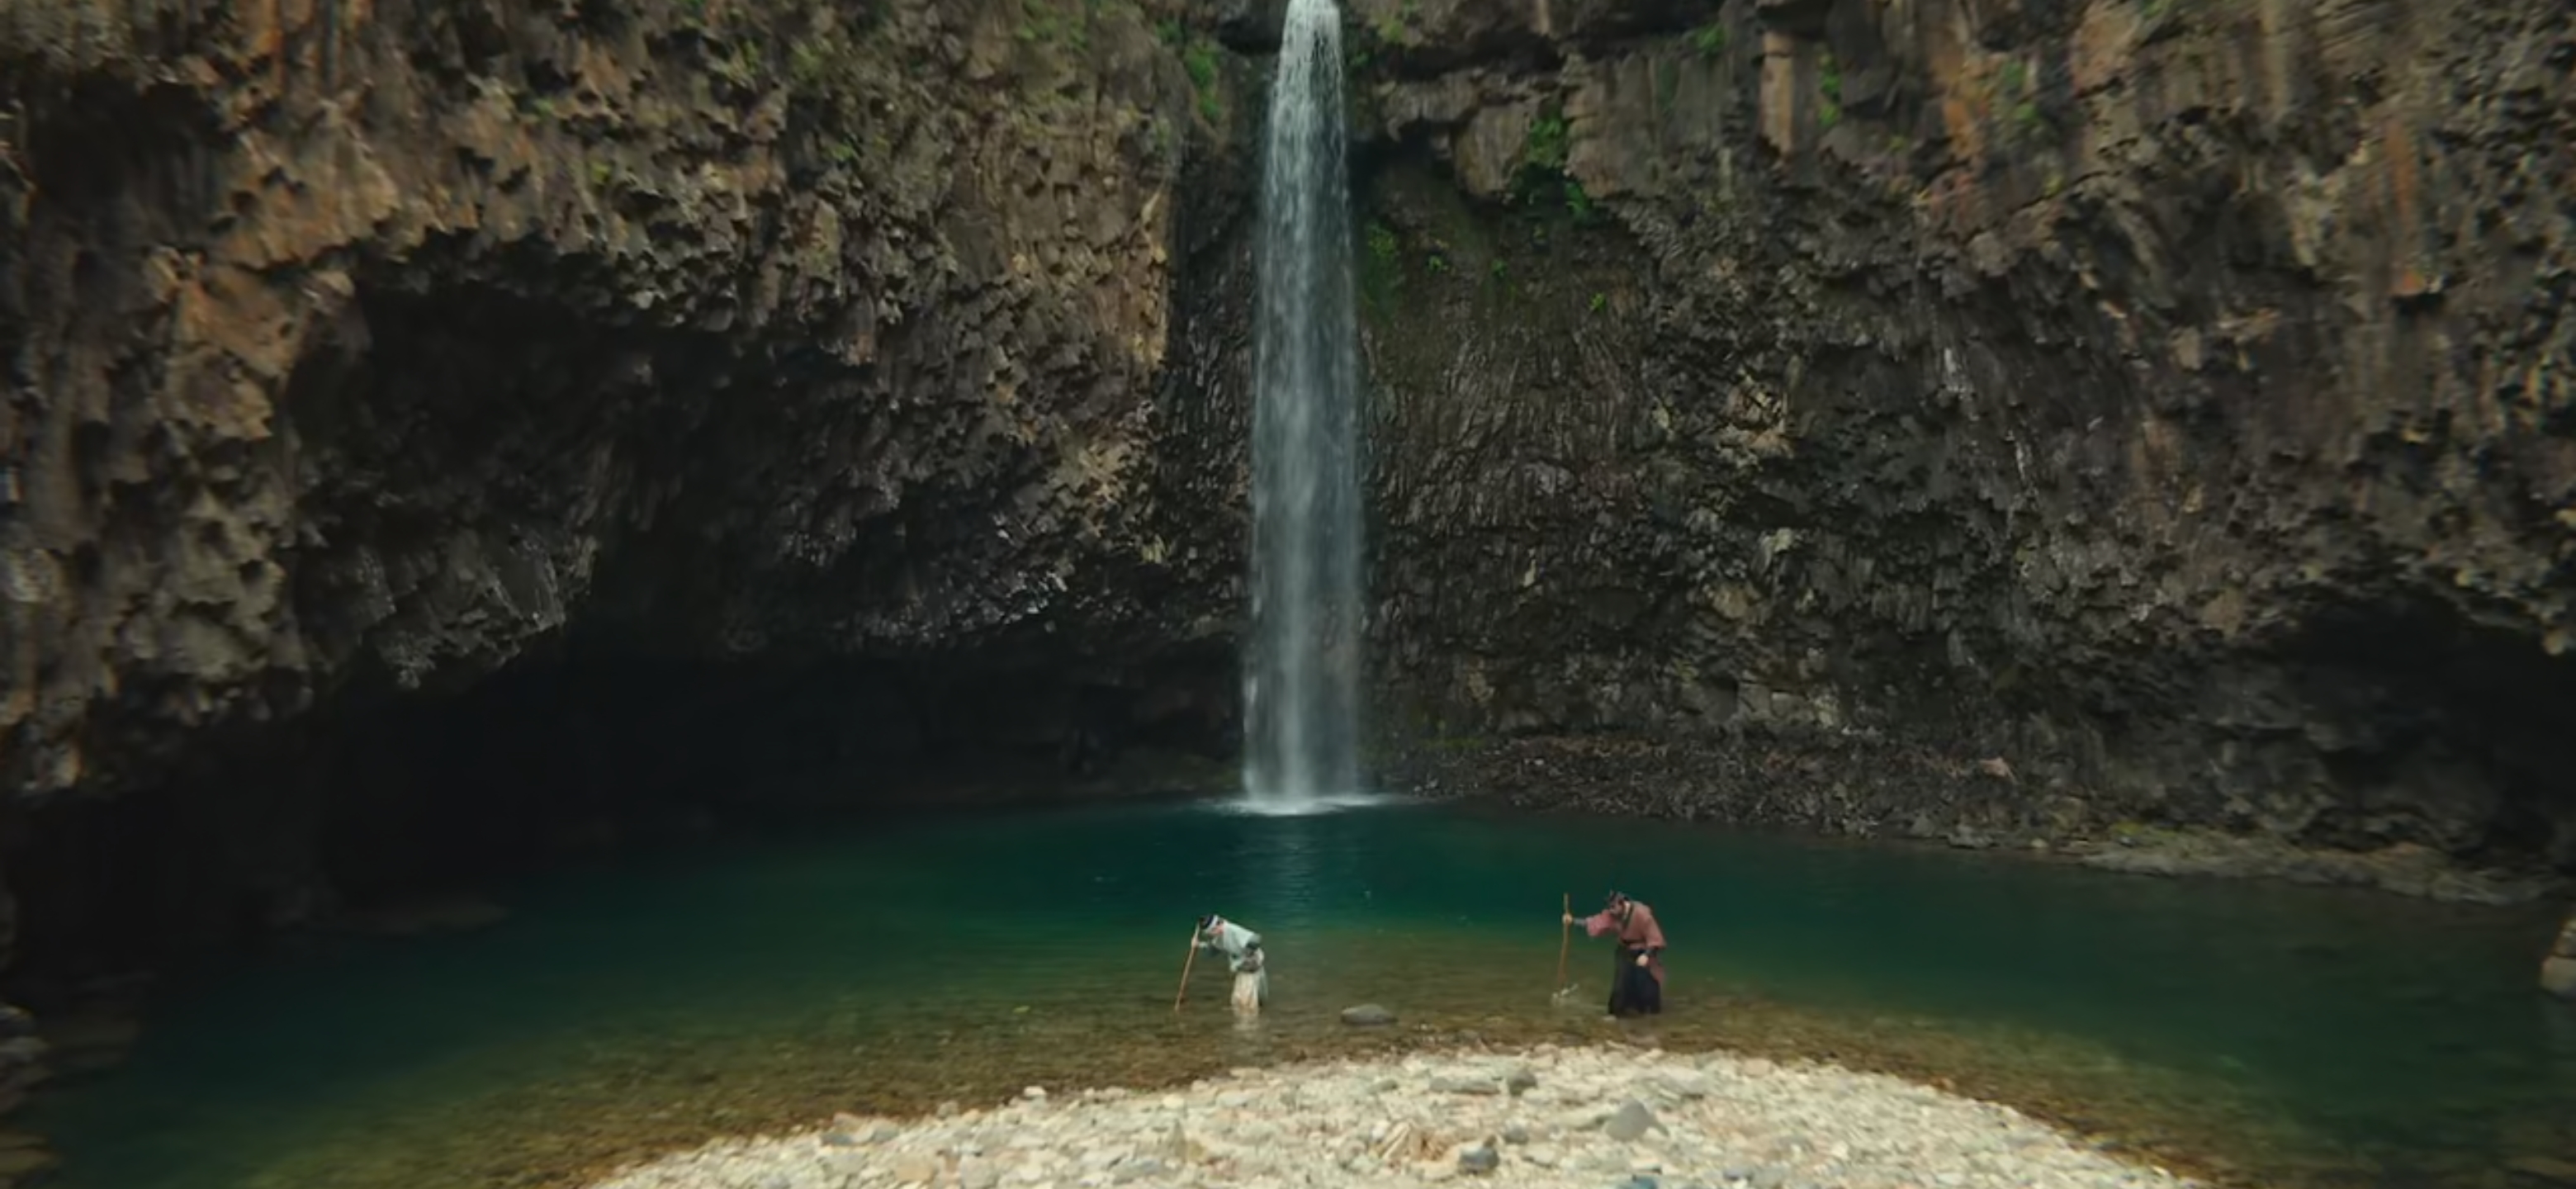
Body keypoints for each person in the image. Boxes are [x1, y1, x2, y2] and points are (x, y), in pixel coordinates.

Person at [1564, 890, 1664, 1017]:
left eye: (1614, 908)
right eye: (1610, 908)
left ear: (1623, 903)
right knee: (1621, 983)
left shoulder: (1642, 914)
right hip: (1624, 951)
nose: (1612, 912)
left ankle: (1648, 1014)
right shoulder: (1612, 915)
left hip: (1643, 951)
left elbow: (1655, 938)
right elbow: (1596, 922)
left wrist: (1646, 955)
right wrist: (1573, 921)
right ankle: (1618, 1014)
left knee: (1645, 986)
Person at [1196, 913, 1268, 1014]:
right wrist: (1198, 945)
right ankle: (1249, 1017)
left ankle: (1249, 1023)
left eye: (1212, 932)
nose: (1212, 935)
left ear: (1217, 926)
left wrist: (1244, 958)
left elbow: (1256, 940)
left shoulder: (1232, 930)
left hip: (1251, 966)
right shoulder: (1220, 935)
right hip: (1242, 968)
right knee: (1241, 999)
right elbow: (1213, 950)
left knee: (1246, 1001)